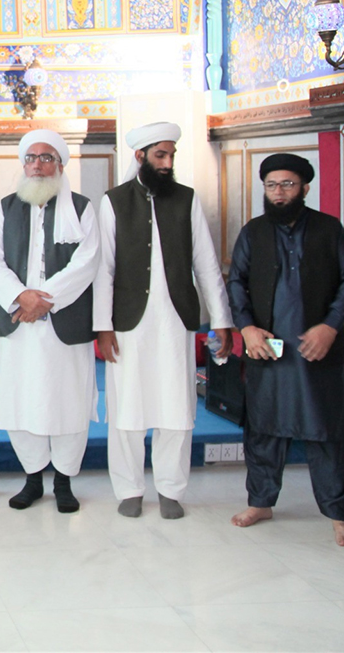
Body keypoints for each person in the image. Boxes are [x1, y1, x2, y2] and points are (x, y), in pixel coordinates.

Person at [94, 122, 233, 519]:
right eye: (161, 155)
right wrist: (103, 327)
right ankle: (129, 488)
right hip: (127, 324)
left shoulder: (186, 199)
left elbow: (206, 263)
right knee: (127, 409)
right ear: (140, 156)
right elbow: (103, 269)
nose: (168, 162)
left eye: (171, 155)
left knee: (177, 404)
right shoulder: (114, 202)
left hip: (175, 320)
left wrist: (220, 319)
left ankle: (171, 488)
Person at [226, 153, 344, 547]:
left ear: (305, 187)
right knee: (264, 428)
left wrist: (330, 327)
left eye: (287, 184)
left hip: (316, 350)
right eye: (271, 185)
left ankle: (339, 514)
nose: (279, 192)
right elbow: (237, 284)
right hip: (268, 349)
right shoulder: (253, 232)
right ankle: (261, 501)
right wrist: (248, 329)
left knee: (326, 430)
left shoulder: (328, 229)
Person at [0, 132, 100, 511]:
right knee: (20, 400)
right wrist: (22, 297)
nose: (37, 164)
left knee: (68, 401)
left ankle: (64, 481)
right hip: (17, 322)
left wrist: (44, 300)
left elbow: (88, 261)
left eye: (46, 158)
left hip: (64, 324)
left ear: (60, 166)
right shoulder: (5, 207)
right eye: (31, 157)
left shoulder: (82, 208)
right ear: (23, 164)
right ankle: (33, 478)